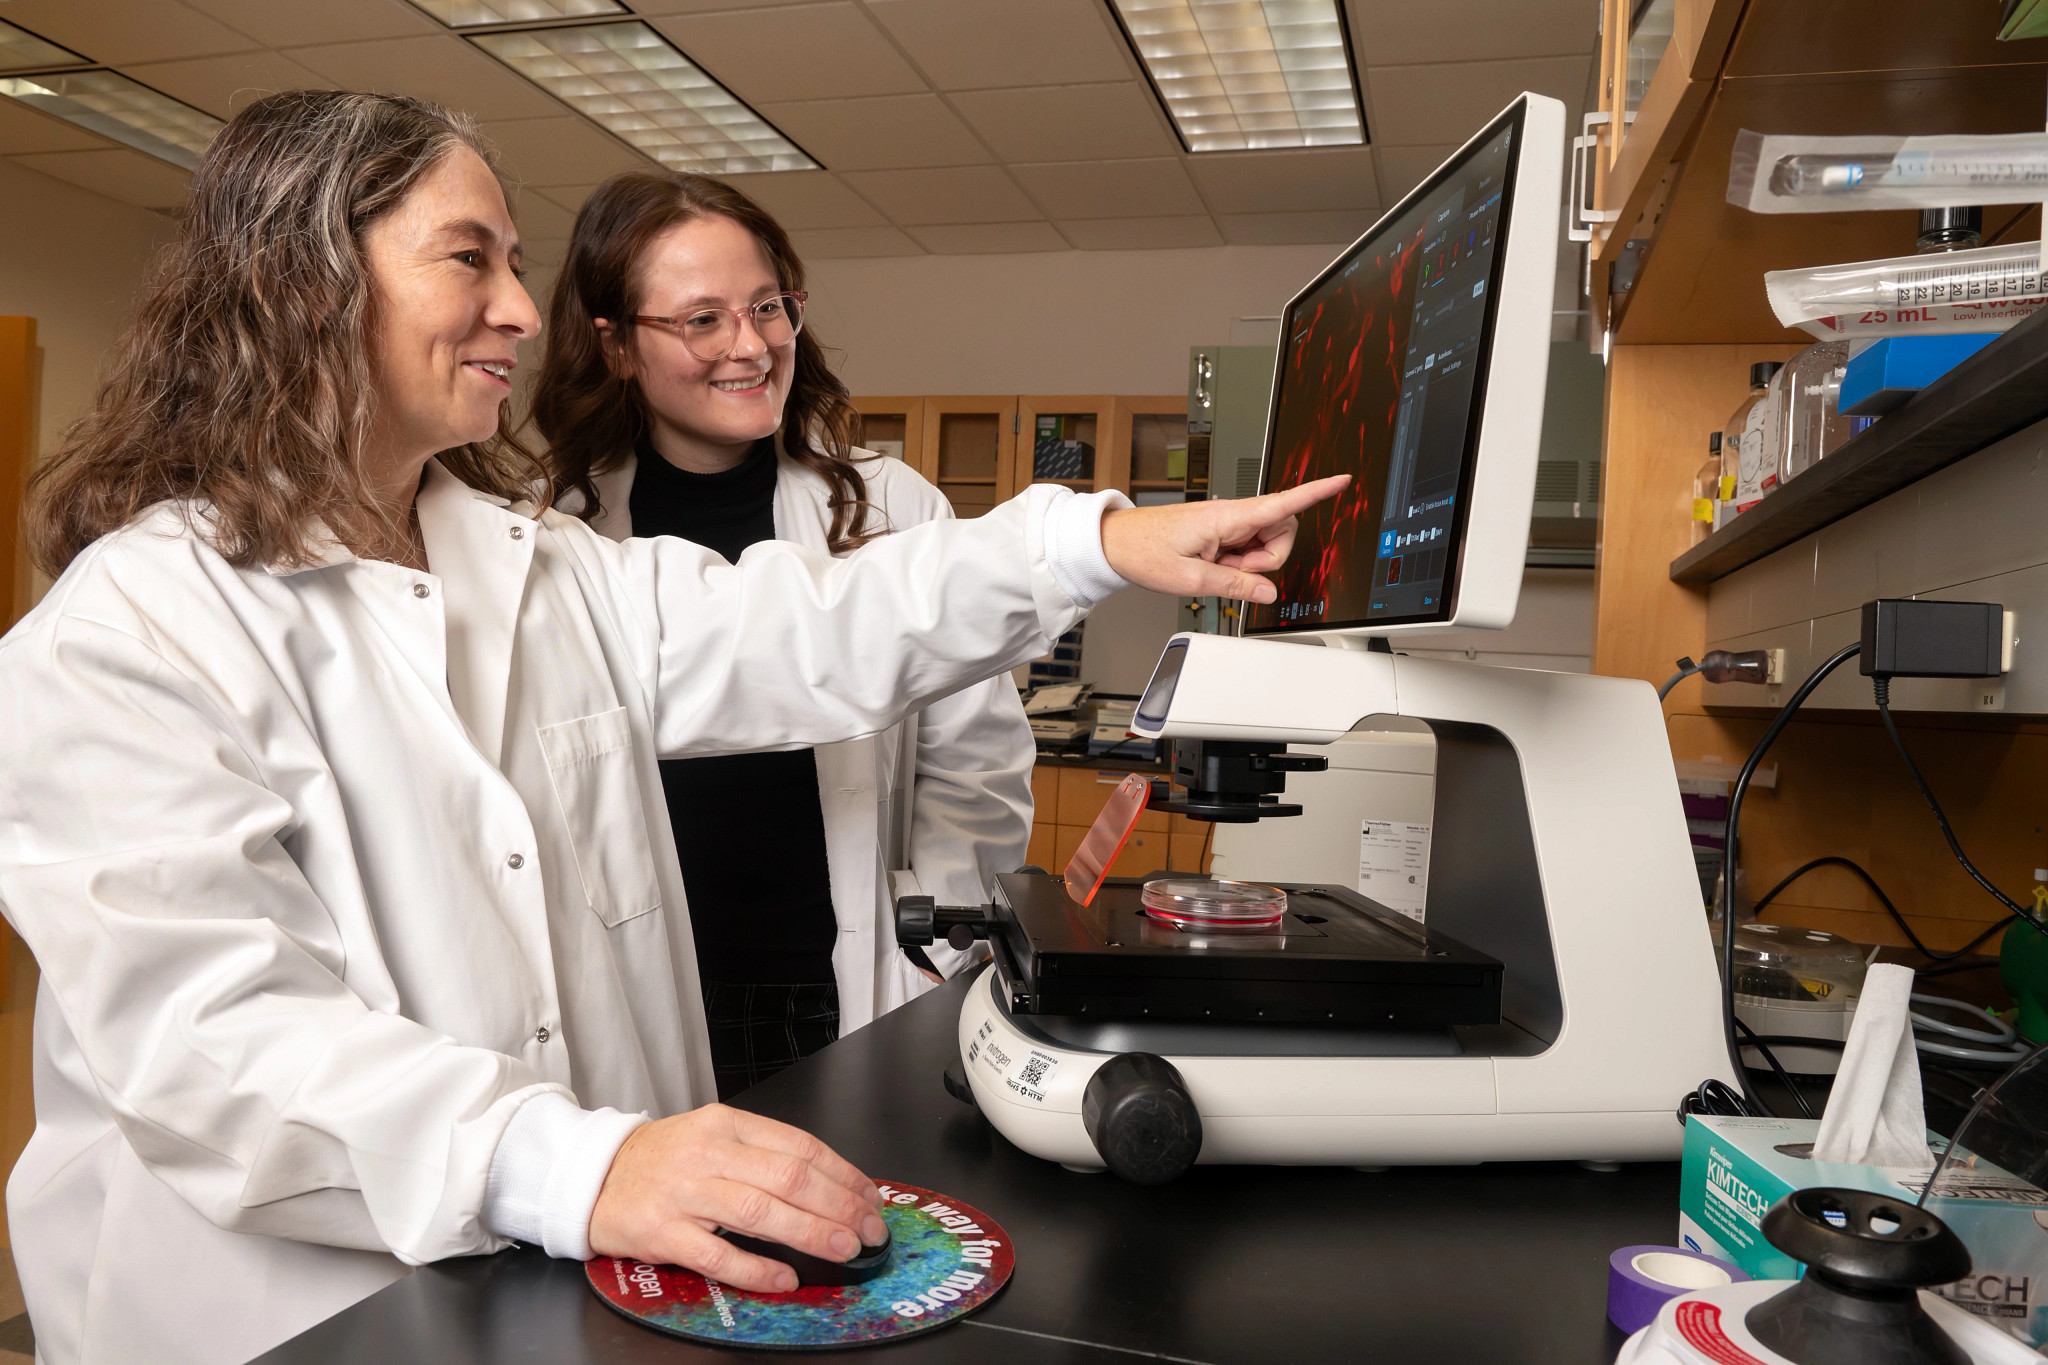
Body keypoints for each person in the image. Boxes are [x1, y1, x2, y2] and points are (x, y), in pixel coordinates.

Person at [0, 91, 1343, 1365]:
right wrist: (577, 1162)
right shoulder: (133, 632)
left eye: (516, 264)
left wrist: (1090, 541)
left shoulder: (541, 569)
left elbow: (816, 624)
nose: (519, 311)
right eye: (469, 259)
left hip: (555, 1287)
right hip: (285, 1316)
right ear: (304, 286)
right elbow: (215, 1042)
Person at [529, 171, 1032, 1098]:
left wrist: (940, 945)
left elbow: (976, 765)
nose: (751, 345)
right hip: (638, 987)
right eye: (703, 319)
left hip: (835, 984)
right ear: (615, 346)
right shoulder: (553, 533)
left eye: (769, 306)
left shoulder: (890, 508)